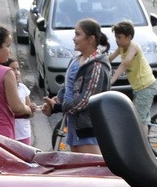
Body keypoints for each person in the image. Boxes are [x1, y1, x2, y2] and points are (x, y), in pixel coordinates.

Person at [42, 19, 111, 154]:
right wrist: (57, 100)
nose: (74, 38)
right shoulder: (76, 60)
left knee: (92, 169)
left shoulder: (96, 65)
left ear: (91, 39)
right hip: (74, 124)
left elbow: (86, 100)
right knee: (80, 169)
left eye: (78, 34)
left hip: (88, 125)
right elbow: (68, 86)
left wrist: (58, 108)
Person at [109, 20, 157, 133]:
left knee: (141, 120)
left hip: (146, 86)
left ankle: (143, 147)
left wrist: (112, 80)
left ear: (129, 37)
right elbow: (110, 59)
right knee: (138, 115)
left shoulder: (133, 47)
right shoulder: (121, 48)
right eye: (115, 37)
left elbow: (125, 64)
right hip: (138, 87)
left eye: (119, 37)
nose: (116, 40)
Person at [4, 58, 35, 146]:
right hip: (8, 132)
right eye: (13, 69)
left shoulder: (23, 88)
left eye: (18, 69)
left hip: (23, 133)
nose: (17, 72)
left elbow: (31, 113)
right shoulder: (2, 89)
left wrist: (32, 109)